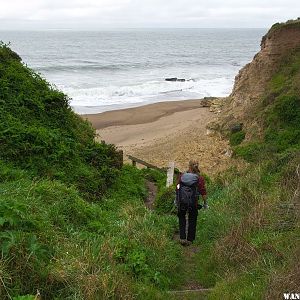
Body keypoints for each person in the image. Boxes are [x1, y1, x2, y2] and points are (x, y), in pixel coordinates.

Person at [176, 160, 207, 246]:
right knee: (192, 219)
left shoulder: (182, 176)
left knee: (182, 217)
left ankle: (182, 238)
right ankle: (190, 239)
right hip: (194, 202)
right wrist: (205, 203)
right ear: (197, 166)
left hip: (182, 201)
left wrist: (177, 198)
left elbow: (177, 186)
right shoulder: (199, 178)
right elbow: (203, 191)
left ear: (189, 166)